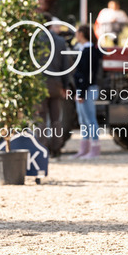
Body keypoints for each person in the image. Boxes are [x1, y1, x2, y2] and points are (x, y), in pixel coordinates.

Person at [37, 16, 70, 157]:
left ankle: (42, 148)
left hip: (40, 83)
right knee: (56, 118)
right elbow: (65, 65)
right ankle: (56, 148)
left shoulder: (36, 40)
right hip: (56, 83)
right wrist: (66, 85)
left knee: (41, 118)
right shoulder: (60, 41)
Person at [71, 24, 102, 159]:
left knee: (90, 119)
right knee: (83, 119)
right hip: (83, 88)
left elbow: (87, 74)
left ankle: (94, 148)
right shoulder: (84, 49)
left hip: (87, 89)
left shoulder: (89, 51)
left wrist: (81, 92)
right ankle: (84, 149)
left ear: (81, 34)